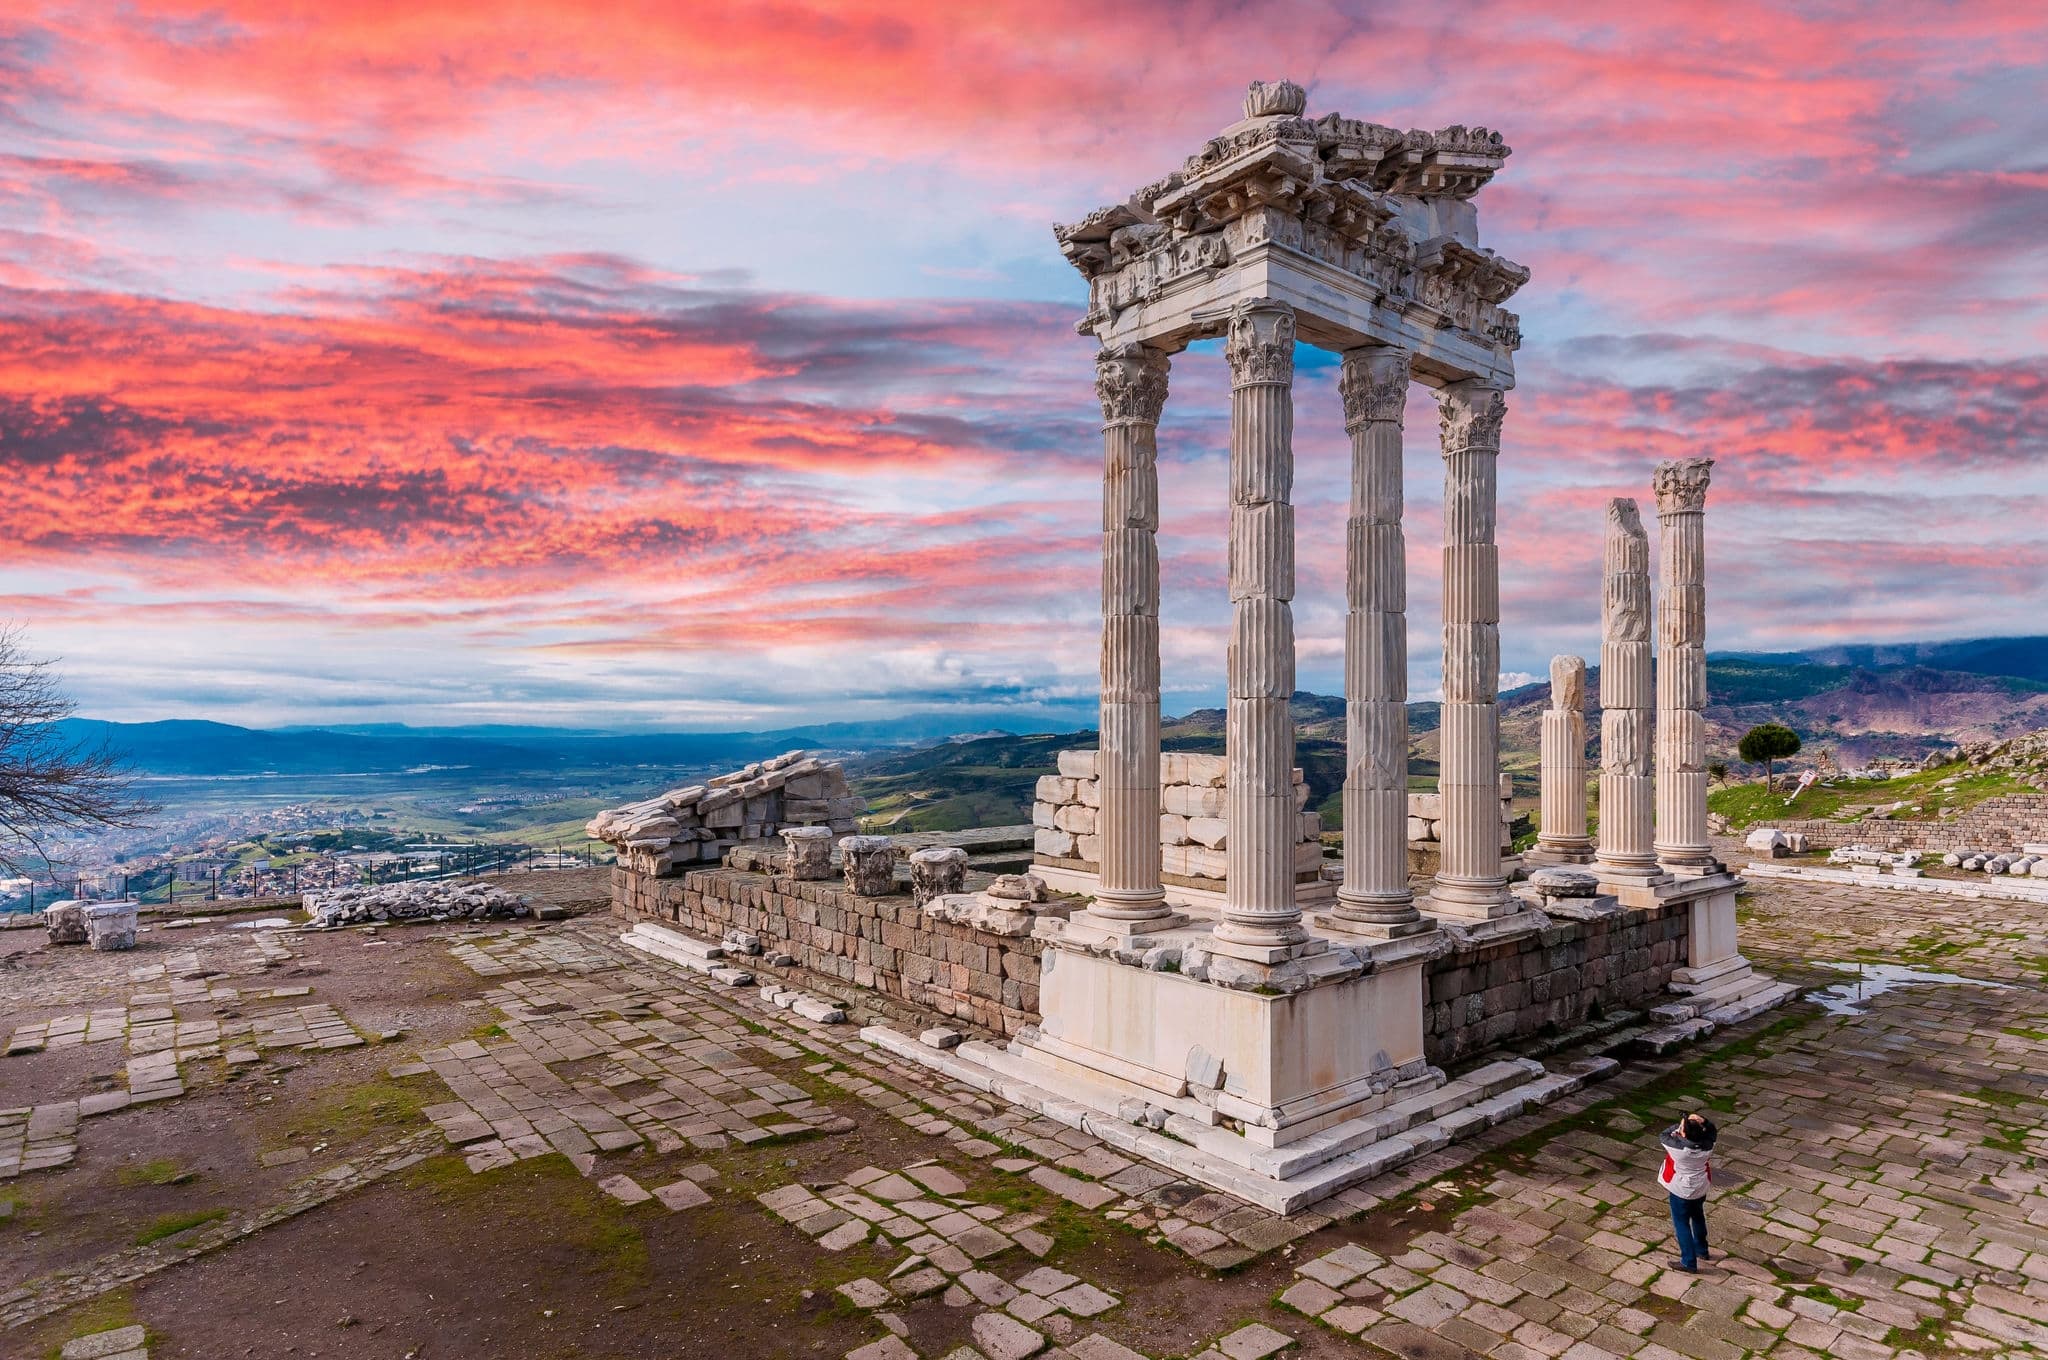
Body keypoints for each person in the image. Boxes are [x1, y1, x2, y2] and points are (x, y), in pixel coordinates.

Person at [1658, 1111, 1717, 1271]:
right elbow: (1712, 1131)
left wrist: (1682, 1124)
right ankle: (1702, 1250)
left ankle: (1688, 1261)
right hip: (1700, 1187)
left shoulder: (1676, 1147)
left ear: (1683, 1132)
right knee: (1697, 1216)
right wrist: (1701, 1121)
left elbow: (1663, 1134)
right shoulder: (1708, 1145)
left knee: (1681, 1224)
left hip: (1680, 1189)